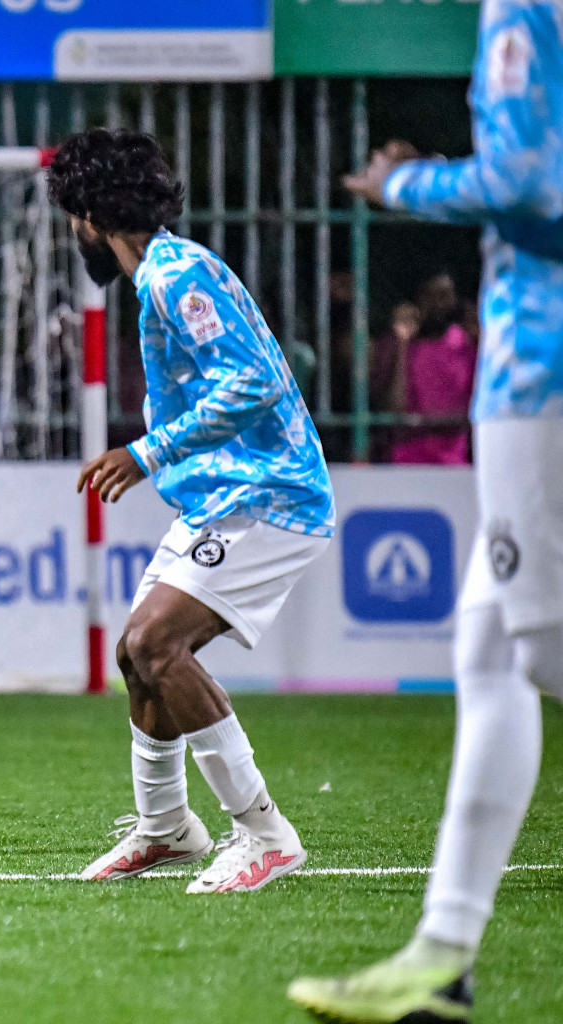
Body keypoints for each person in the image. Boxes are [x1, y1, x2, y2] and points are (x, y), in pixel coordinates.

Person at [293, 2, 563, 1020]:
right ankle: (442, 952)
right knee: (489, 651)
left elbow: (530, 183)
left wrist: (398, 182)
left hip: (541, 366)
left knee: (536, 651)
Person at [47, 128, 336, 894]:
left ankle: (265, 833)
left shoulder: (180, 278)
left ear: (89, 216)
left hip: (271, 494)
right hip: (224, 496)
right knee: (136, 655)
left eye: (70, 218)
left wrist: (145, 452)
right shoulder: (166, 275)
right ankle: (167, 828)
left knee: (157, 642)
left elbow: (250, 383)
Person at [375, 273, 478, 466]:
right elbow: (393, 409)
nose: (439, 304)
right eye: (431, 296)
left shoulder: (465, 344)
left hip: (455, 463)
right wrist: (402, 344)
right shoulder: (396, 344)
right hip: (405, 461)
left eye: (445, 296)